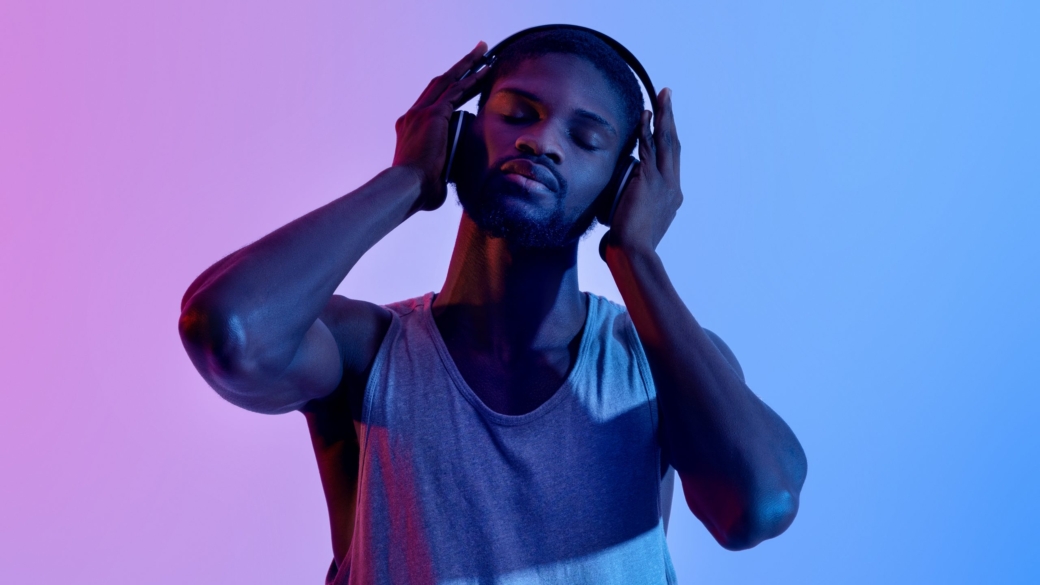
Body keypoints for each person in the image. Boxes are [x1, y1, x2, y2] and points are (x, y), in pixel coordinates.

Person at [178, 27, 807, 585]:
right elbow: (229, 328)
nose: (543, 142)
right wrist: (407, 182)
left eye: (586, 139)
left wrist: (636, 256)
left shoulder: (653, 361)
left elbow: (759, 505)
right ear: (460, 134)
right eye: (517, 113)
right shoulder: (364, 350)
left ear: (622, 185)